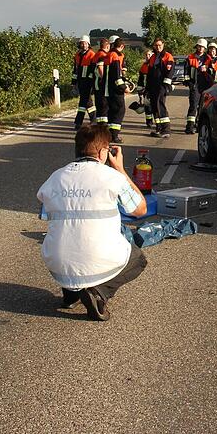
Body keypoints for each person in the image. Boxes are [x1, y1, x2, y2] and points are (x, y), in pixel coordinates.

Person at [37, 124, 147, 321]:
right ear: (104, 151)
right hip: (96, 260)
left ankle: (71, 294)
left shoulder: (55, 177)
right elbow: (140, 210)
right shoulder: (112, 177)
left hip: (57, 264)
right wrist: (120, 169)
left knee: (69, 234)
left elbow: (47, 215)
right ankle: (99, 291)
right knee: (138, 259)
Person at [140, 37, 175, 138]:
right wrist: (147, 88)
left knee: (160, 105)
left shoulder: (168, 56)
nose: (158, 47)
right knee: (154, 107)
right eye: (156, 45)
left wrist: (165, 86)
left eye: (160, 45)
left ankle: (166, 129)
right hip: (153, 86)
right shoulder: (153, 57)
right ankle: (159, 128)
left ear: (163, 45)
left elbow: (170, 72)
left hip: (161, 85)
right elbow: (150, 73)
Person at [104, 38, 129, 143]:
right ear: (122, 46)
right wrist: (124, 88)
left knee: (112, 111)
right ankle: (114, 135)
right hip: (115, 90)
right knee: (119, 110)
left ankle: (110, 134)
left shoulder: (109, 54)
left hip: (108, 88)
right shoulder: (115, 57)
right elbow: (117, 77)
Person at [71, 35, 97, 129]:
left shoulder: (92, 55)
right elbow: (75, 70)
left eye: (85, 43)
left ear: (88, 44)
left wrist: (91, 83)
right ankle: (94, 120)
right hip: (80, 82)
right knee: (87, 102)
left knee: (83, 102)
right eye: (82, 43)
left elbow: (93, 70)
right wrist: (73, 82)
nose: (83, 45)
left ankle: (79, 122)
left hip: (88, 82)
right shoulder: (77, 55)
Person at [184, 38, 208, 134]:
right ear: (196, 47)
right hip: (195, 85)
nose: (200, 48)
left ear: (205, 48)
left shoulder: (208, 58)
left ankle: (198, 125)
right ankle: (189, 127)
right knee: (193, 105)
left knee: (202, 107)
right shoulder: (190, 58)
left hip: (205, 85)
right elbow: (186, 71)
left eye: (202, 47)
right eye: (199, 46)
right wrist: (189, 83)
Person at [91, 37, 111, 125]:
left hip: (96, 83)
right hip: (101, 83)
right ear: (108, 46)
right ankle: (103, 126)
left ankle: (99, 124)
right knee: (104, 105)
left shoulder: (96, 54)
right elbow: (101, 68)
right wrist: (106, 79)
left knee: (99, 105)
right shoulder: (103, 55)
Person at [137, 47, 155, 130]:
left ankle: (158, 122)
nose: (148, 56)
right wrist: (140, 93)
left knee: (155, 106)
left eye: (149, 55)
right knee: (147, 106)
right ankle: (149, 122)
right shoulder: (143, 66)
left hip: (154, 89)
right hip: (146, 89)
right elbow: (140, 80)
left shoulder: (155, 65)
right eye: (146, 55)